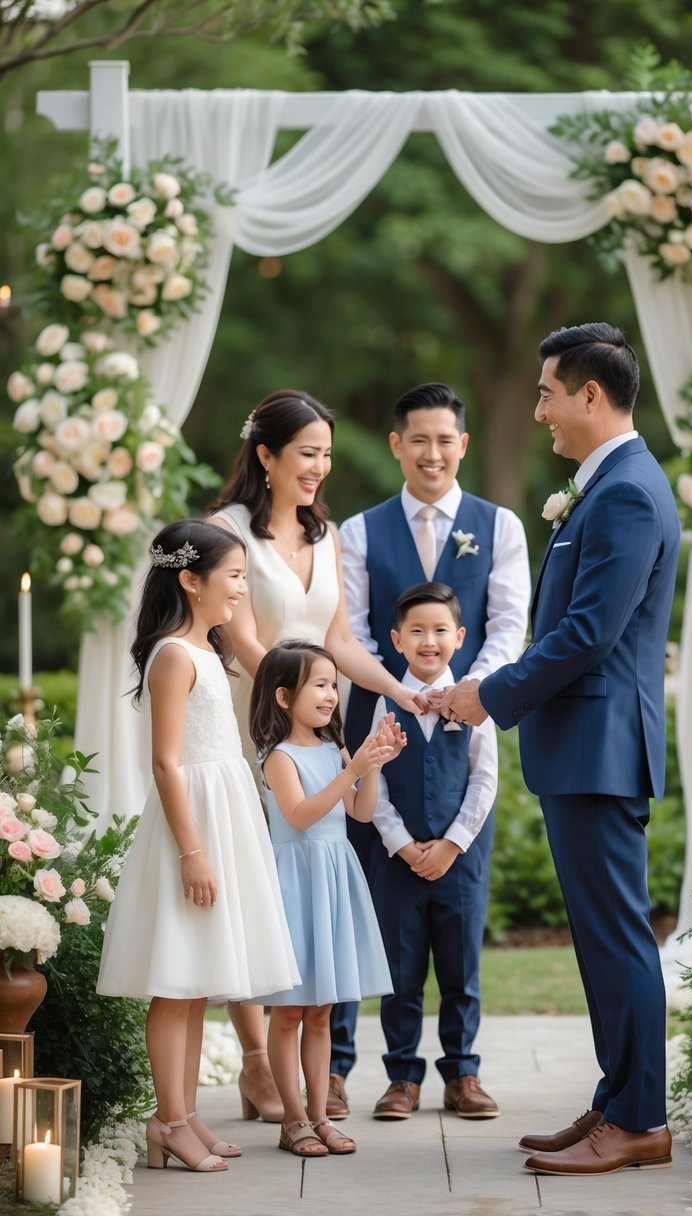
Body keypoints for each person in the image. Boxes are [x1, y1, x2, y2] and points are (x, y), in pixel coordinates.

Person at [440, 323, 680, 1176]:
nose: (538, 408)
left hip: (600, 747)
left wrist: (490, 694)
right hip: (584, 747)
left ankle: (640, 1119)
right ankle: (617, 1100)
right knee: (599, 936)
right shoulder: (608, 482)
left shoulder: (624, 491)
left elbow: (588, 632)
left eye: (546, 392)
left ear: (589, 394)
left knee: (617, 937)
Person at [211, 389, 419, 1123]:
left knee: (292, 900)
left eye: (326, 455)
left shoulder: (324, 533)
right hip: (250, 732)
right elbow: (237, 640)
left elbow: (339, 638)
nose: (319, 468)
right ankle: (256, 1060)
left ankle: (282, 1066)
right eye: (307, 454)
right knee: (250, 891)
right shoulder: (225, 530)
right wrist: (298, 695)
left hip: (311, 727)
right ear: (265, 456)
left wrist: (403, 689)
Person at [329, 381, 530, 1117]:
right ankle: (346, 1066)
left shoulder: (498, 524)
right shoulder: (358, 530)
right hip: (377, 718)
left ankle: (461, 1072)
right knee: (368, 911)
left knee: (456, 931)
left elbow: (509, 624)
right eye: (419, 439)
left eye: (445, 439)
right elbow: (347, 629)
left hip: (465, 711)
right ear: (396, 445)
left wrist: (464, 691)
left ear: (463, 445)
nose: (433, 452)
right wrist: (398, 689)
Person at [96, 520, 299, 1174]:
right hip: (193, 823)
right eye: (234, 575)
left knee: (193, 984)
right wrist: (192, 852)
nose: (242, 588)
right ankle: (171, 1121)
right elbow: (164, 762)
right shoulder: (173, 655)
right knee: (176, 984)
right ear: (190, 579)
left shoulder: (206, 649)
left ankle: (180, 1119)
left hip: (223, 812)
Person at [247, 642, 402, 1156]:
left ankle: (320, 1115)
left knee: (322, 1012)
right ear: (284, 696)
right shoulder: (278, 757)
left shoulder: (334, 750)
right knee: (289, 1011)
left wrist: (372, 765)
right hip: (296, 883)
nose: (331, 694)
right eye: (319, 684)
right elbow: (300, 815)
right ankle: (292, 1120)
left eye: (333, 684)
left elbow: (359, 813)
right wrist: (353, 769)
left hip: (334, 877)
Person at [367, 583, 499, 1121]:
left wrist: (450, 845)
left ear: (460, 637)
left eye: (440, 630)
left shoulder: (474, 704)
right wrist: (401, 845)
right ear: (397, 641)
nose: (429, 641)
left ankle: (463, 1074)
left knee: (459, 971)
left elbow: (484, 782)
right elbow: (370, 782)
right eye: (416, 631)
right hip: (398, 864)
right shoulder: (384, 702)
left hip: (458, 863)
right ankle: (401, 1078)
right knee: (400, 973)